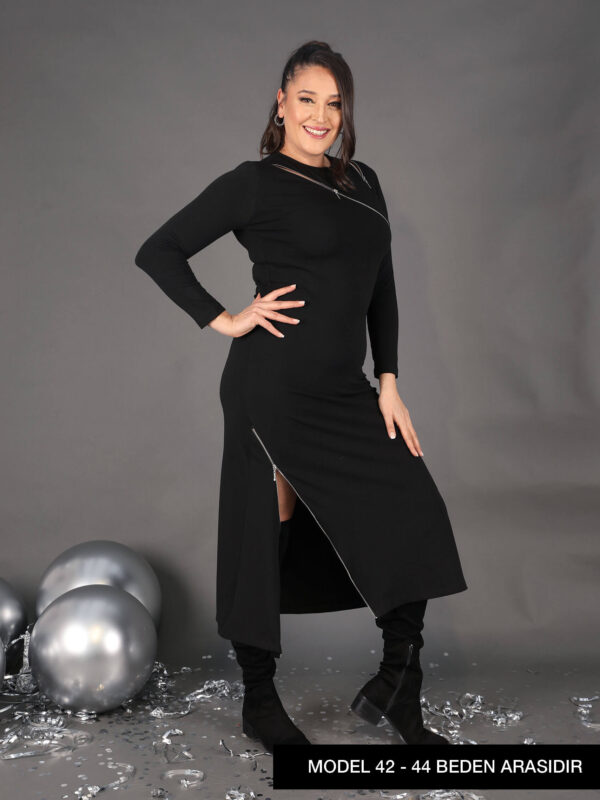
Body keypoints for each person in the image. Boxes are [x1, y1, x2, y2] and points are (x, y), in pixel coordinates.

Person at [134, 40, 468, 751]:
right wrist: (225, 318)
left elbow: (380, 286)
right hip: (271, 389)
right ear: (281, 103)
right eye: (307, 99)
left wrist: (389, 380)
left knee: (412, 511)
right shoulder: (253, 184)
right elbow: (159, 250)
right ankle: (259, 701)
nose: (321, 115)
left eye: (334, 103)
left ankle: (397, 684)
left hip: (344, 391)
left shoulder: (364, 182)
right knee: (263, 536)